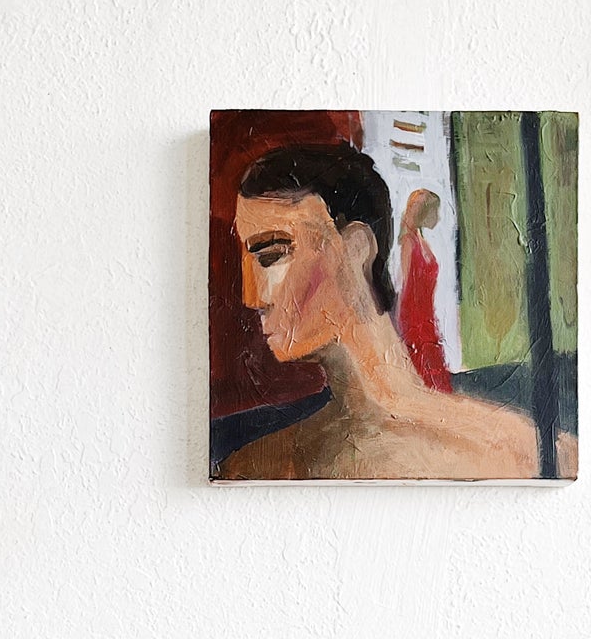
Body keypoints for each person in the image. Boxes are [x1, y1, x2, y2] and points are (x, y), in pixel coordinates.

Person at [219, 144, 543, 481]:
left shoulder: (513, 452)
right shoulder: (253, 466)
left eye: (272, 255)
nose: (252, 297)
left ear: (356, 249)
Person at [396, 188, 454, 392]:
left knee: (433, 364)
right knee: (423, 366)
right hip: (414, 317)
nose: (438, 217)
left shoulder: (421, 240)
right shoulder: (408, 243)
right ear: (424, 213)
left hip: (426, 315)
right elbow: (404, 284)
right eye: (435, 211)